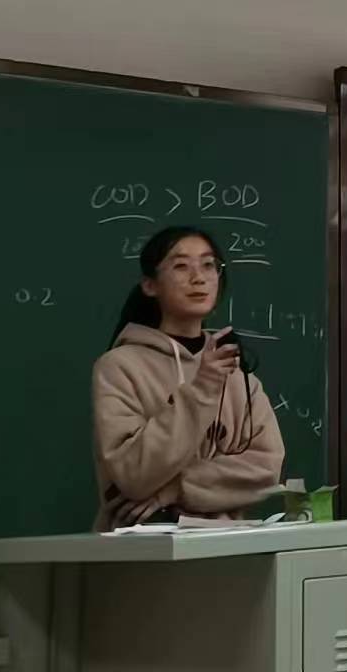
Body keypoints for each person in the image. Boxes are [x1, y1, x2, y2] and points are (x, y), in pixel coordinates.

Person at [92, 225, 284, 530]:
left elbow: (266, 468)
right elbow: (132, 474)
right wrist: (203, 388)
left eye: (208, 265)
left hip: (225, 546)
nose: (199, 278)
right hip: (144, 547)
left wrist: (174, 489)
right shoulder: (119, 367)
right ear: (150, 285)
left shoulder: (237, 375)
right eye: (181, 266)